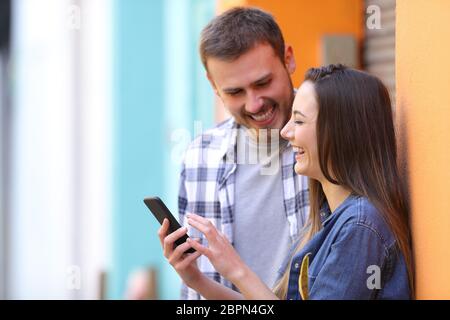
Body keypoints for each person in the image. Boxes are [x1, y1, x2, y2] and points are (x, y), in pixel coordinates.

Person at [160, 64, 414, 299]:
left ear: (341, 132)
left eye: (300, 121)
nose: (285, 131)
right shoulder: (329, 216)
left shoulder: (361, 225)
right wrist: (198, 281)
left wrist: (237, 270)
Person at [176, 7, 309, 299]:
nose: (254, 104)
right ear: (213, 86)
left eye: (263, 83)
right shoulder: (200, 157)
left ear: (288, 60)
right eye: (235, 92)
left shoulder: (332, 138)